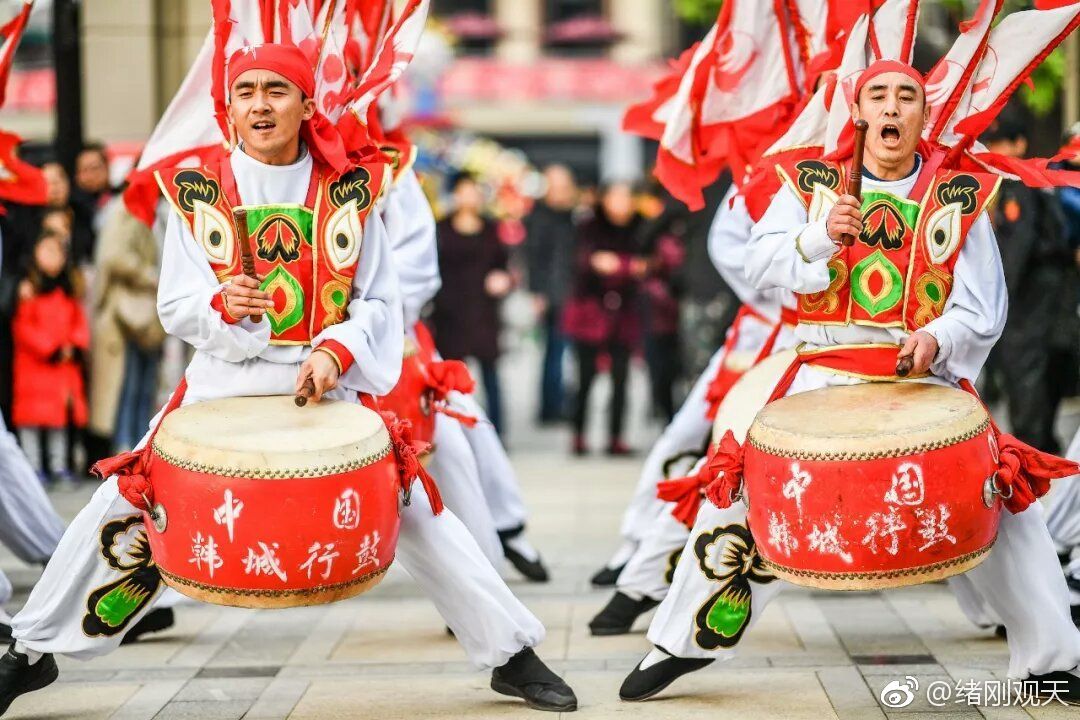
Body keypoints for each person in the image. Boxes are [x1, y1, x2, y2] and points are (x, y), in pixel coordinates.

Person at [0, 44, 577, 715]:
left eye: (276, 91)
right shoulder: (198, 190)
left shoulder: (349, 191)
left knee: (414, 505)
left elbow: (379, 301)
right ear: (229, 107)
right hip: (223, 382)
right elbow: (176, 304)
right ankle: (32, 650)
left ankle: (510, 653)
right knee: (123, 501)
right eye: (245, 91)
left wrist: (336, 349)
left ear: (306, 105)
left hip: (326, 383)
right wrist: (223, 309)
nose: (260, 105)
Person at [617, 60, 1080, 704]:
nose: (892, 108)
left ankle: (1049, 661)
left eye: (906, 97)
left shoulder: (958, 194)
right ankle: (678, 644)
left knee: (1000, 492)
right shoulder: (810, 183)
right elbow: (758, 261)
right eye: (878, 96)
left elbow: (983, 306)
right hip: (824, 375)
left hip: (922, 379)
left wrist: (939, 338)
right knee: (741, 492)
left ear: (923, 113)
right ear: (857, 112)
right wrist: (816, 238)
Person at [984, 117, 1076, 454]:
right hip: (1047, 295)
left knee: (1025, 375)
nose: (995, 151)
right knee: (1038, 374)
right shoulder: (1032, 182)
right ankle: (1044, 448)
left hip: (1032, 297)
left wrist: (995, 298)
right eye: (992, 145)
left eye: (1003, 143)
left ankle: (1033, 456)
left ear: (1020, 144)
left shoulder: (1019, 186)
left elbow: (1017, 250)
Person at [563, 182, 647, 456]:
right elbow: (582, 262)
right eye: (615, 197)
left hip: (625, 315)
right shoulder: (588, 227)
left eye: (626, 197)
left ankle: (616, 436)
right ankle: (579, 434)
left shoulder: (641, 228)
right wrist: (622, 266)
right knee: (584, 378)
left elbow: (646, 265)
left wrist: (618, 265)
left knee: (621, 379)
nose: (621, 203)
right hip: (590, 314)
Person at [431, 172, 512, 435]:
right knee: (450, 378)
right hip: (450, 313)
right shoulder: (440, 229)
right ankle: (452, 431)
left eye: (474, 191)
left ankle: (496, 432)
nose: (469, 197)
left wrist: (503, 280)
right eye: (464, 191)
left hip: (483, 311)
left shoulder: (491, 230)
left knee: (490, 374)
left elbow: (504, 266)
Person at [11, 230, 88, 486]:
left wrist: (74, 345)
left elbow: (79, 323)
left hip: (60, 371)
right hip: (34, 369)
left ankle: (59, 465)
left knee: (59, 422)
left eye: (57, 252)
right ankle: (32, 466)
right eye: (47, 251)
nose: (53, 257)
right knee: (31, 424)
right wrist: (51, 348)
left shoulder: (67, 291)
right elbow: (23, 328)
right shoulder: (29, 291)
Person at [89, 203, 165, 453]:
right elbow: (113, 257)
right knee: (127, 387)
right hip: (126, 315)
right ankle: (126, 449)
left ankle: (140, 447)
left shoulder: (157, 210)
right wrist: (150, 275)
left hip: (147, 317)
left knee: (144, 388)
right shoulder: (126, 209)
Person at [524, 164, 578, 424]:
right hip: (553, 295)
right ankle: (551, 406)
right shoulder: (539, 218)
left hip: (573, 293)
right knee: (554, 352)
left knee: (565, 353)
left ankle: (562, 401)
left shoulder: (573, 217)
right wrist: (537, 293)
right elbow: (534, 258)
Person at [70, 143, 115, 266]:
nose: (91, 175)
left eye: (95, 168)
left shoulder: (120, 202)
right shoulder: (72, 208)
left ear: (107, 169)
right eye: (84, 170)